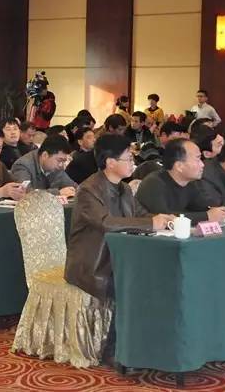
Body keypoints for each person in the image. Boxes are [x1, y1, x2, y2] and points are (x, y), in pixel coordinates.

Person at [64, 135, 173, 332]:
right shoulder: (88, 190)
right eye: (128, 159)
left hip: (120, 255)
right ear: (110, 162)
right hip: (95, 261)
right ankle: (121, 340)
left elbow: (141, 215)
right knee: (136, 282)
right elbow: (106, 222)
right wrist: (151, 223)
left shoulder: (124, 189)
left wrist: (164, 220)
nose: (133, 163)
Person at [135, 138, 225, 224]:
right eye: (198, 159)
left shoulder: (190, 182)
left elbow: (202, 207)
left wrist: (216, 212)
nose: (202, 164)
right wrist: (206, 216)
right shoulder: (153, 183)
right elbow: (165, 218)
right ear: (179, 166)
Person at [11, 135, 76, 197]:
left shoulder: (57, 167)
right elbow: (25, 193)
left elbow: (73, 186)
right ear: (45, 155)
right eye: (59, 160)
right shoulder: (22, 165)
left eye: (63, 161)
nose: (61, 165)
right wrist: (57, 193)